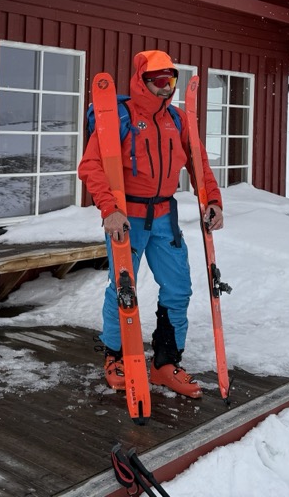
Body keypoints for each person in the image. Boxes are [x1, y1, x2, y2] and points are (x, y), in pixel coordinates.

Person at [77, 50, 224, 398]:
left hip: (164, 217)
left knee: (178, 288)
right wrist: (109, 209)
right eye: (158, 80)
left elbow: (199, 162)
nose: (165, 87)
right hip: (126, 217)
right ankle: (116, 356)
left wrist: (213, 200)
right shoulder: (120, 116)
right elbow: (90, 166)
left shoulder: (177, 119)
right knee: (123, 288)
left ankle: (165, 363)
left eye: (170, 80)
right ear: (142, 81)